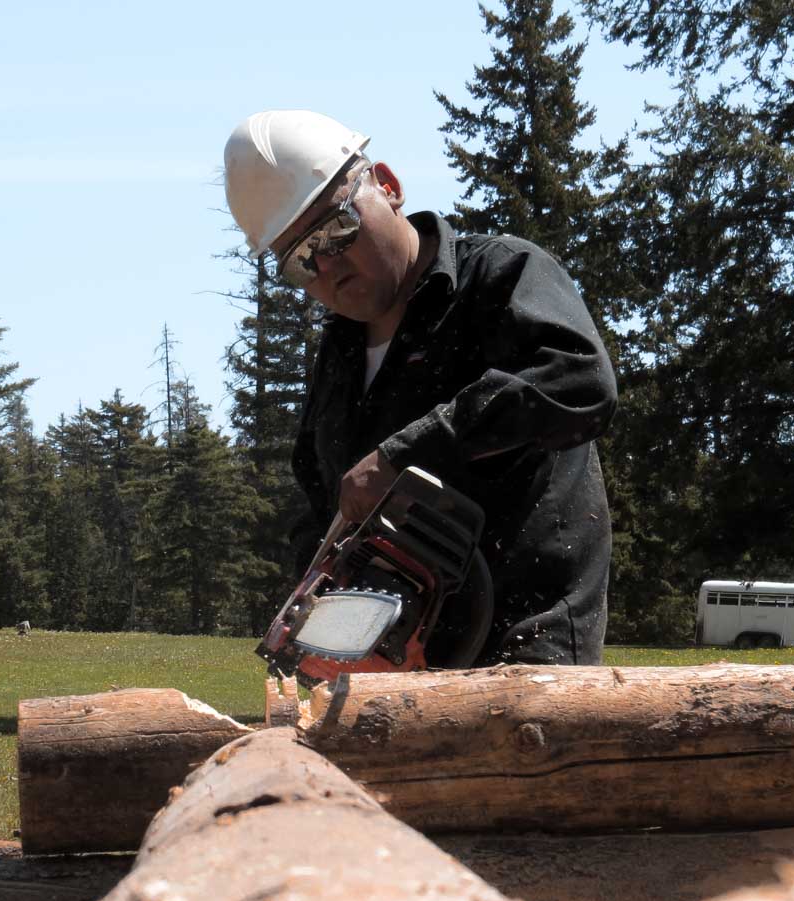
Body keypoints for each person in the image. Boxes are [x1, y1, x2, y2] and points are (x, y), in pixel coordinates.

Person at [223, 110, 617, 666]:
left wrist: (404, 455)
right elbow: (322, 506)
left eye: (337, 229)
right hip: (395, 675)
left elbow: (580, 382)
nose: (329, 266)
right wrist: (308, 614)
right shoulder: (338, 358)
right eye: (301, 260)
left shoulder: (499, 277)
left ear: (387, 185)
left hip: (526, 656)